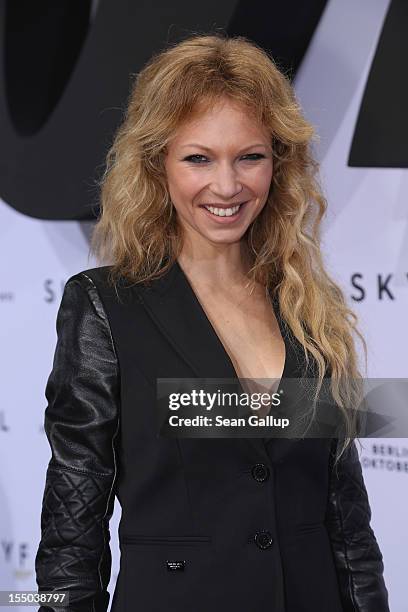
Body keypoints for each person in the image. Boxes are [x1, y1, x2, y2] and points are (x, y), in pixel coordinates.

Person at [35, 33, 389, 612]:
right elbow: (74, 518)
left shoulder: (308, 307)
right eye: (198, 157)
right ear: (158, 164)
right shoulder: (106, 304)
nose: (227, 186)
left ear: (279, 161)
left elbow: (346, 520)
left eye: (249, 156)